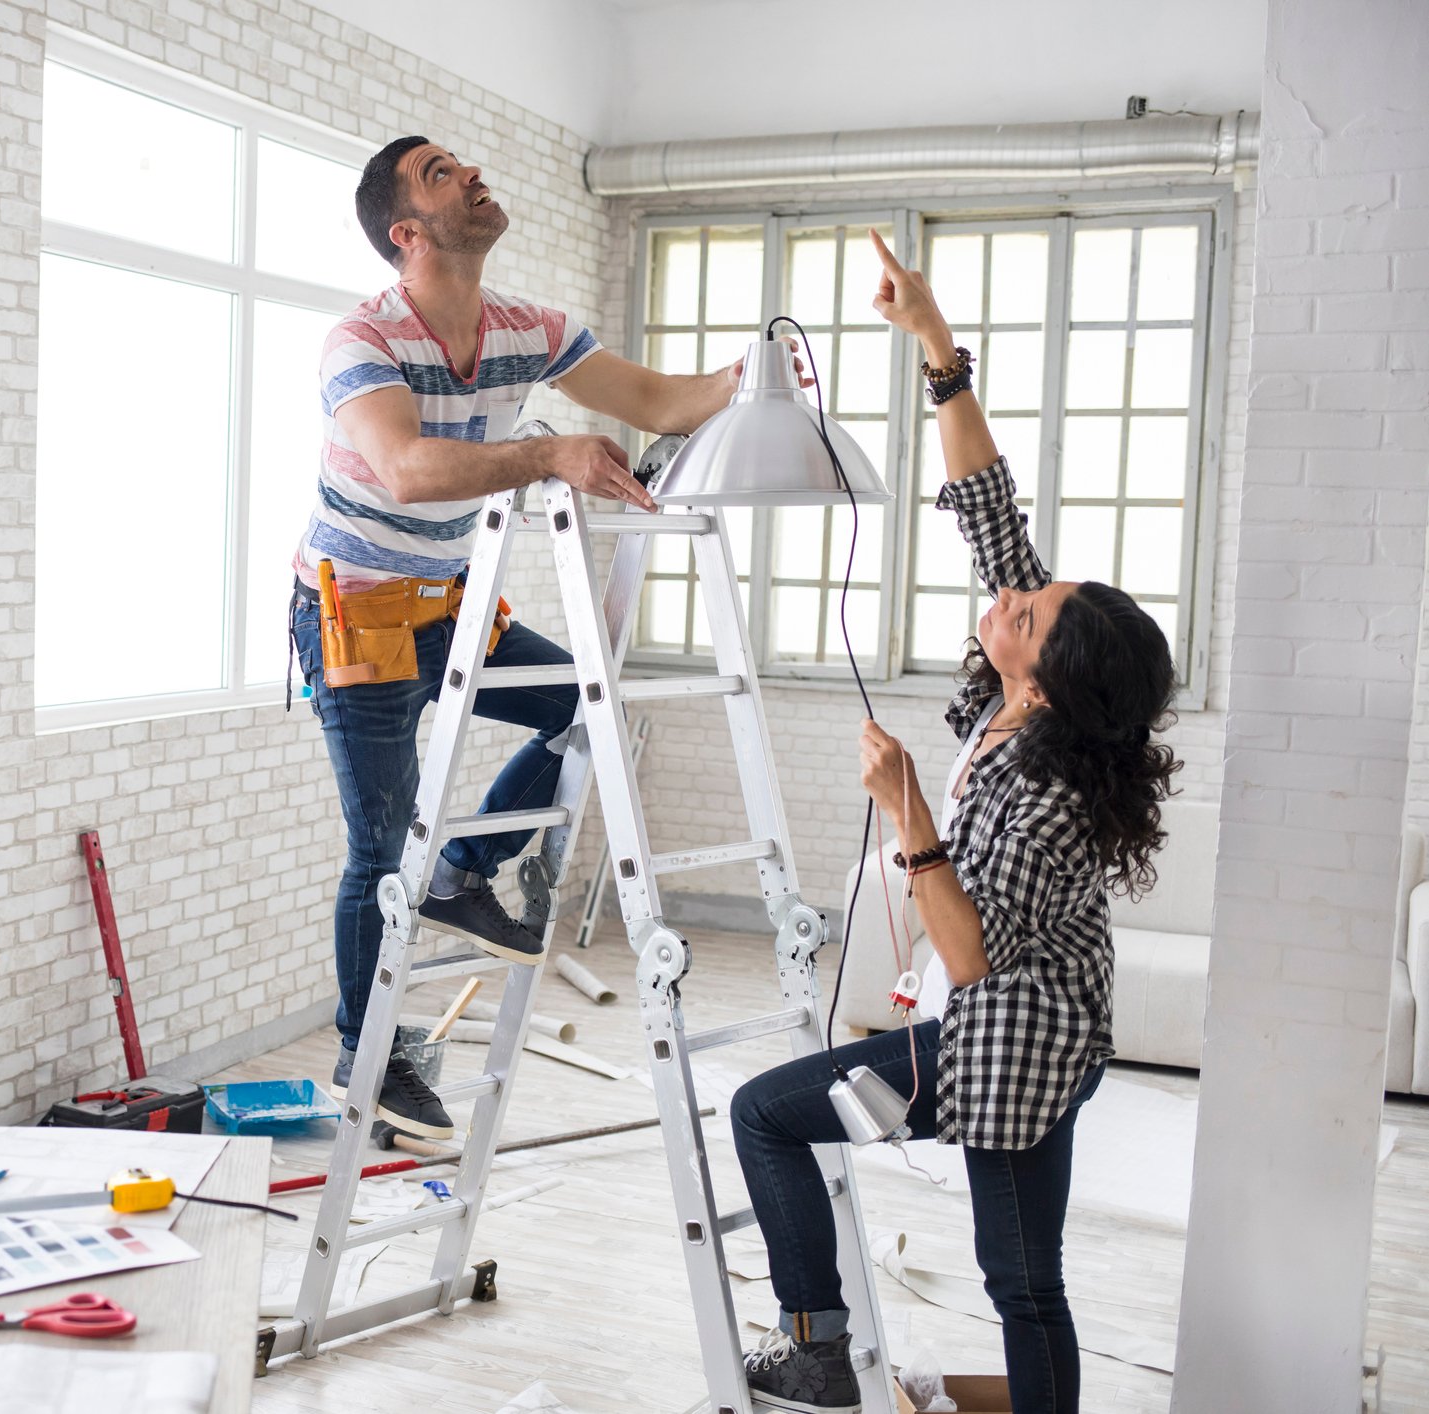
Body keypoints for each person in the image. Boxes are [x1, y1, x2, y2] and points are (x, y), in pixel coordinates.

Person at [727, 229, 1181, 1414]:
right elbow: (990, 510)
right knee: (998, 1259)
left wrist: (911, 810)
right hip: (1006, 1022)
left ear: (1048, 674)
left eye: (1025, 609)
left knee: (1015, 1278)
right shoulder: (1022, 695)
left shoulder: (1048, 791)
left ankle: (821, 1350)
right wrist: (935, 345)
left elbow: (972, 954)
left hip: (1016, 1044)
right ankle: (826, 1342)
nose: (1008, 596)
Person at [292, 136, 790, 1140]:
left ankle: (470, 873)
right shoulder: (364, 340)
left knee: (580, 706)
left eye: (467, 164)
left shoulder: (526, 329)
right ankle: (369, 1050)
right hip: (356, 615)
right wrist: (550, 452)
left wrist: (758, 379)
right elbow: (408, 471)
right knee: (380, 840)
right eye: (441, 174)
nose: (472, 172)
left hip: (446, 602)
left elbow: (656, 400)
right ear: (407, 233)